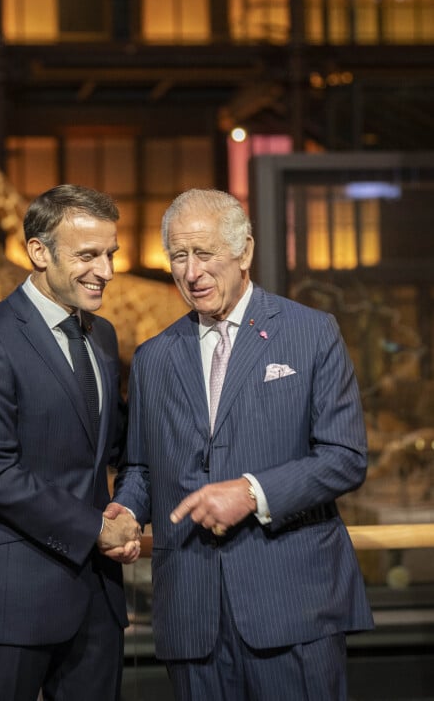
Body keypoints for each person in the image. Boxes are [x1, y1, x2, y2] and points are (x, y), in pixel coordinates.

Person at [111, 188, 374, 701]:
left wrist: (252, 493)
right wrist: (125, 507)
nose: (191, 272)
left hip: (293, 607)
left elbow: (345, 458)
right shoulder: (152, 358)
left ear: (245, 251)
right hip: (191, 614)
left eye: (204, 253)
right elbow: (141, 467)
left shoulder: (311, 333)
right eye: (179, 256)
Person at [0, 184, 141, 701]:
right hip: (12, 603)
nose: (107, 271)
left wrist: (130, 507)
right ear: (39, 252)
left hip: (97, 602)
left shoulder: (102, 336)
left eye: (110, 254)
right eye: (88, 255)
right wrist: (94, 527)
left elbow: (114, 445)